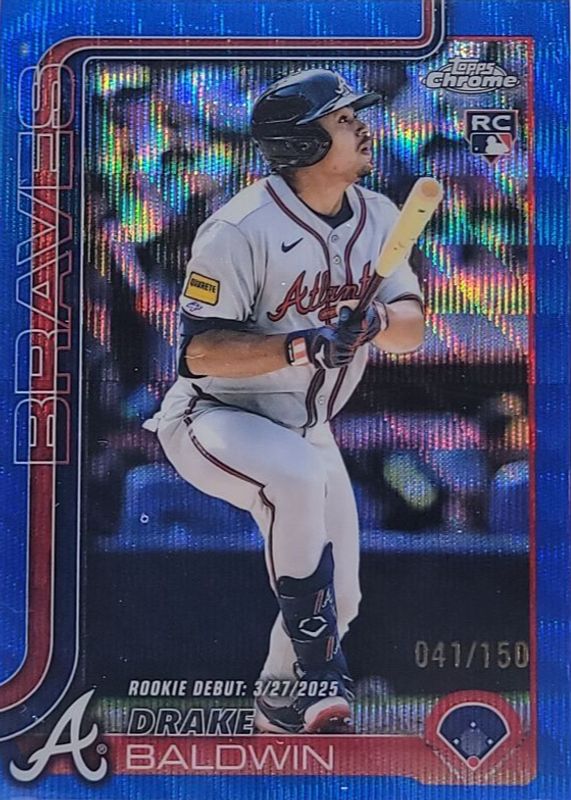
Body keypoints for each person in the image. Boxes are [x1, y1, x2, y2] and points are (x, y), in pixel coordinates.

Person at [148, 68, 425, 734]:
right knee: (296, 478)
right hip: (216, 416)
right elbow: (199, 353)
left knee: (345, 599)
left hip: (307, 426)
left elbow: (411, 327)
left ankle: (279, 705)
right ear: (303, 144)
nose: (362, 127)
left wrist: (376, 323)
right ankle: (320, 673)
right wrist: (302, 346)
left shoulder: (379, 214)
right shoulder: (239, 227)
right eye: (343, 120)